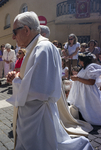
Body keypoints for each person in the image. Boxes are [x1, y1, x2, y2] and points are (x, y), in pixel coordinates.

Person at [6, 11, 92, 149]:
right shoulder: (34, 48)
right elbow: (32, 78)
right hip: (32, 111)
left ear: (26, 30)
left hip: (38, 114)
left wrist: (16, 80)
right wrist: (17, 77)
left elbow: (40, 90)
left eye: (15, 32)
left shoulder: (43, 48)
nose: (13, 36)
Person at [68, 52, 101, 125]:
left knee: (88, 107)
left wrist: (77, 79)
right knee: (82, 106)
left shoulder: (90, 67)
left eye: (80, 60)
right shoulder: (83, 68)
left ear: (84, 60)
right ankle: (82, 117)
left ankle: (88, 119)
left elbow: (91, 82)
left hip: (87, 92)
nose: (79, 62)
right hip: (82, 91)